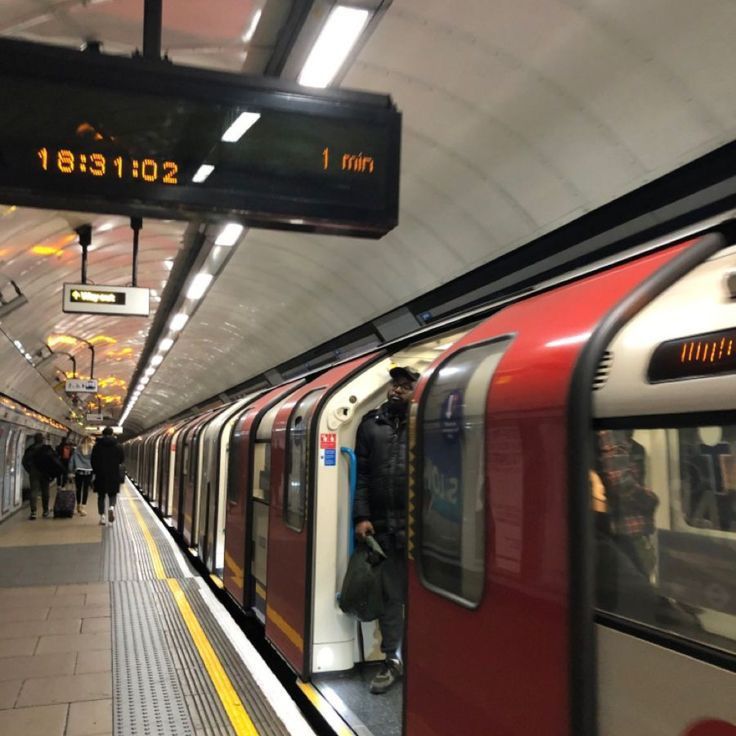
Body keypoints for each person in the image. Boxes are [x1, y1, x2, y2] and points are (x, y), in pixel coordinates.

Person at [353, 365, 420, 694]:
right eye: (395, 384)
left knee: (422, 596)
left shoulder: (425, 424)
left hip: (421, 529)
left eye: (406, 386)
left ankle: (422, 658)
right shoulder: (371, 425)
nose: (397, 390)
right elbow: (362, 476)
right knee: (391, 596)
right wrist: (362, 516)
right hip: (383, 526)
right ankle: (392, 659)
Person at [22, 432, 62, 520]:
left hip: (34, 472)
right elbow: (54, 460)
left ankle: (33, 512)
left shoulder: (30, 449)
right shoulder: (47, 449)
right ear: (42, 440)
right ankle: (45, 511)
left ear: (34, 439)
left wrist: (30, 470)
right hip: (45, 472)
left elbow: (24, 461)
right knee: (45, 491)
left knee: (34, 491)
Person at [91, 427, 124, 525]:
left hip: (100, 474)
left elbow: (93, 461)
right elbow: (121, 460)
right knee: (112, 494)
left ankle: (102, 517)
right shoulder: (118, 446)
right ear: (112, 433)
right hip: (114, 473)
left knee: (101, 496)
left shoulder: (97, 446)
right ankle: (111, 508)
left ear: (102, 434)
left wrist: (96, 471)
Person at [69, 437, 94, 516]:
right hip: (89, 471)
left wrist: (70, 471)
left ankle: (78, 506)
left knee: (78, 489)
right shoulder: (92, 450)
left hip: (79, 471)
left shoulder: (76, 450)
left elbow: (71, 461)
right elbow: (94, 460)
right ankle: (83, 507)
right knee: (86, 489)